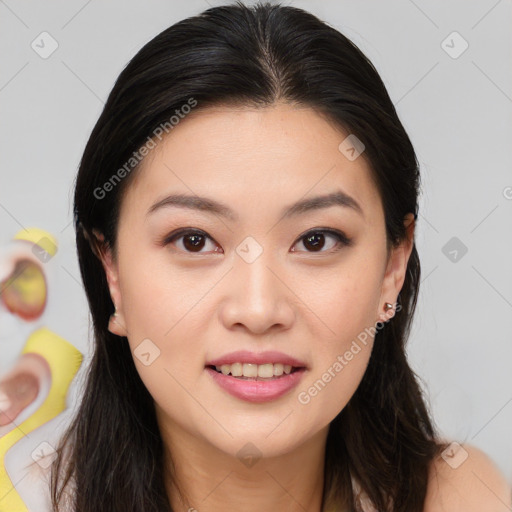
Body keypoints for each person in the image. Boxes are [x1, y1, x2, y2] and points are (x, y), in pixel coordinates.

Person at [49, 2, 511, 511]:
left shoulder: (463, 497)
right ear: (109, 269)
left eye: (316, 240)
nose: (258, 309)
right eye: (194, 240)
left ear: (392, 267)